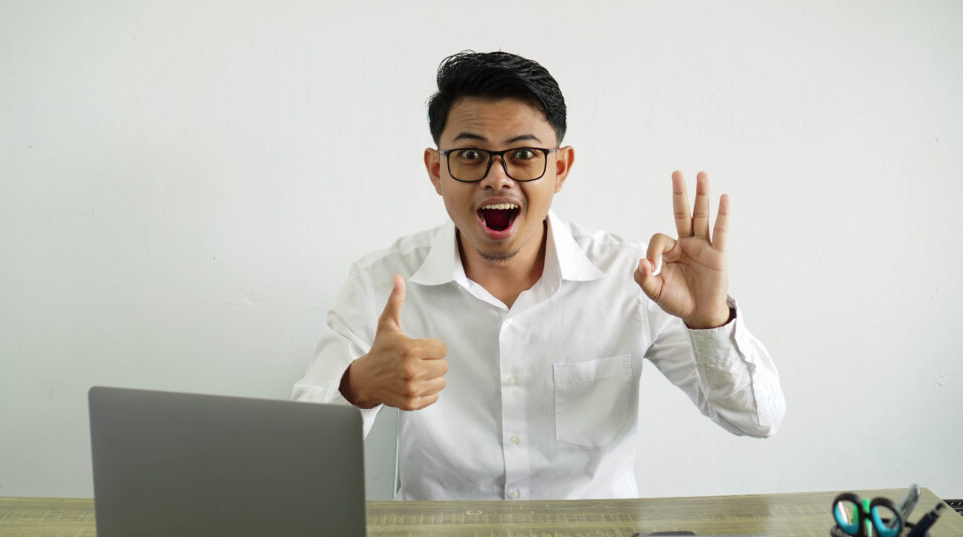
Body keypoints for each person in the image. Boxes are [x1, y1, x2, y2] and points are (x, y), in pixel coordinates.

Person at [293, 50, 785, 500]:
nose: (497, 176)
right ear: (436, 170)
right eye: (470, 155)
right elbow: (297, 456)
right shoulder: (382, 281)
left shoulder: (631, 278)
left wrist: (710, 321)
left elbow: (758, 420)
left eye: (524, 154)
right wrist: (357, 386)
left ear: (561, 167)